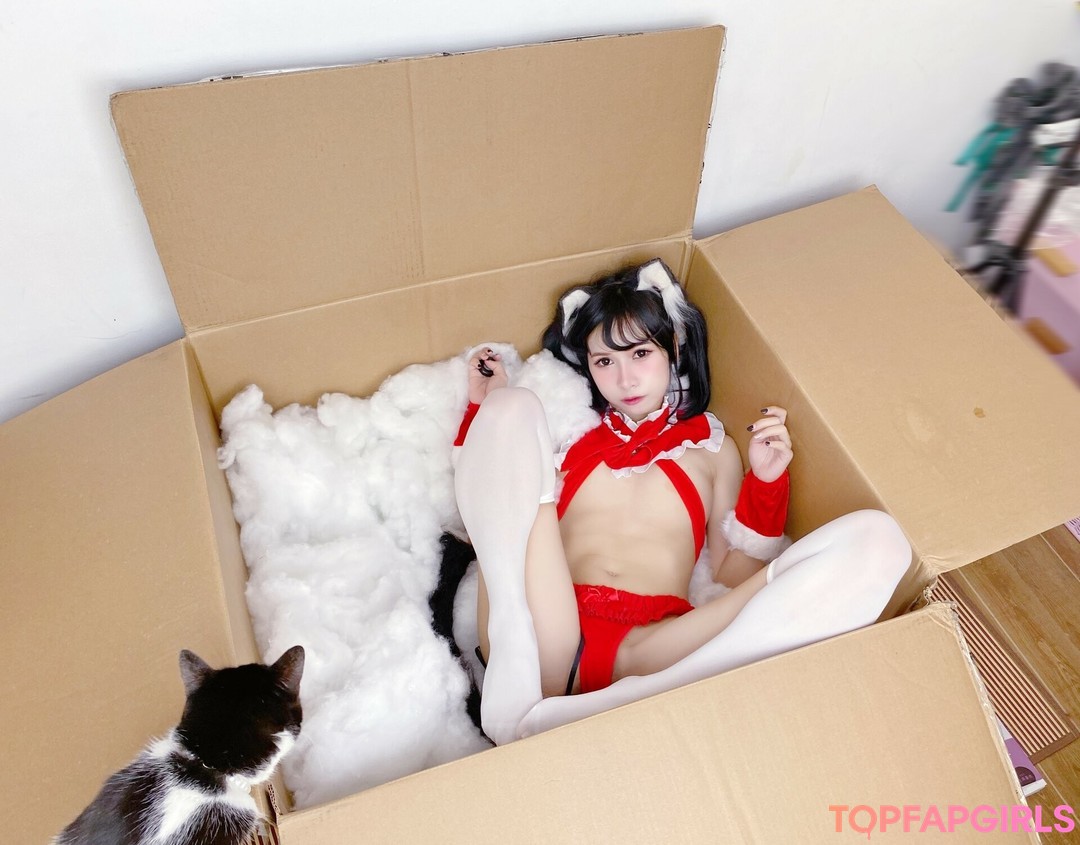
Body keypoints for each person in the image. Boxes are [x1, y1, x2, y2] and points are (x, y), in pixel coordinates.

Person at [453, 258, 911, 746]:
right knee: (514, 406)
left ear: (672, 345)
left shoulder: (713, 450)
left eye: (639, 354)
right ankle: (534, 692)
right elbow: (495, 518)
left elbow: (731, 574)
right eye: (604, 362)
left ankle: (599, 705)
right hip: (548, 629)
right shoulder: (572, 436)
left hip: (655, 647)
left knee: (879, 541)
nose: (625, 380)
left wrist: (767, 481)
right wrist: (486, 410)